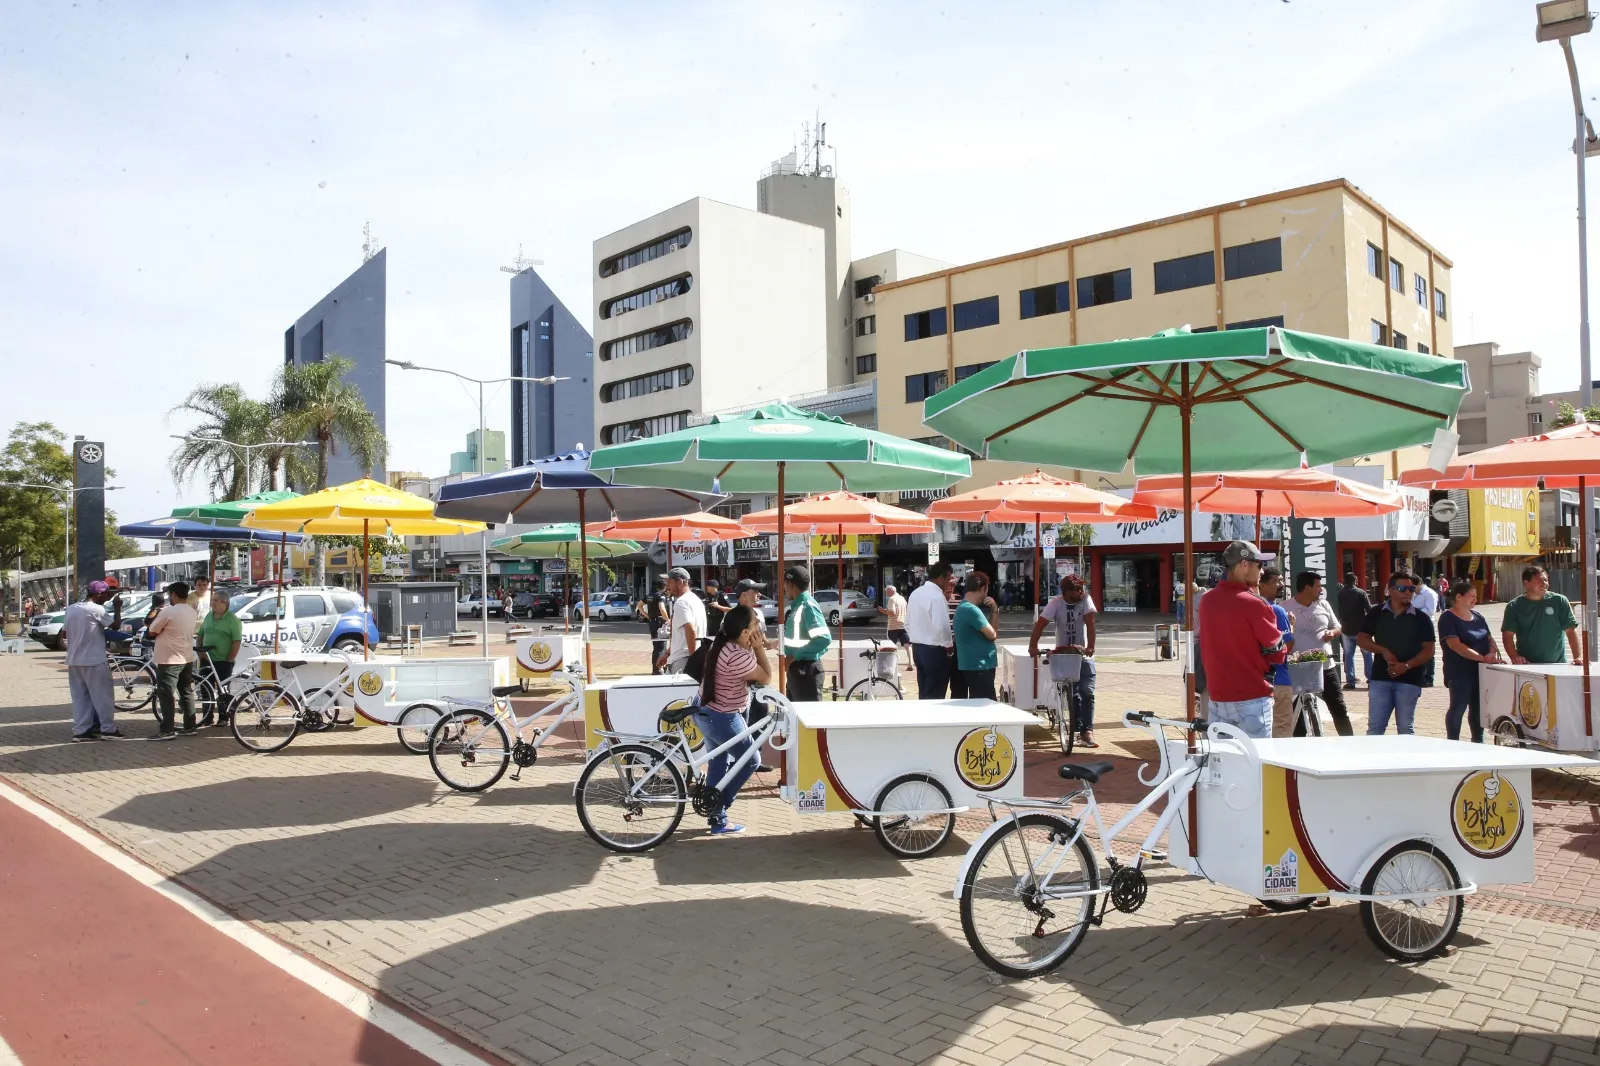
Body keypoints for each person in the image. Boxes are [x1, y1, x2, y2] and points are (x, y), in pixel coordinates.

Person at [693, 605, 774, 836]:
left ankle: (716, 817)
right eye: (755, 625)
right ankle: (717, 805)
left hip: (706, 711)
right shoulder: (737, 655)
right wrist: (759, 649)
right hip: (722, 717)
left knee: (719, 762)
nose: (759, 628)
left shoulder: (725, 645)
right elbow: (767, 677)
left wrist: (758, 646)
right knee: (751, 760)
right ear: (745, 633)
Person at [1196, 541, 1287, 739]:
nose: (1262, 572)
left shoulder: (1207, 600)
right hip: (1251, 697)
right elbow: (1278, 652)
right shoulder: (1254, 603)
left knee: (1221, 765)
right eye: (1259, 565)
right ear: (1244, 565)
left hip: (1218, 697)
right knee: (1255, 765)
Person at [1357, 570, 1436, 736]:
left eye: (1411, 589)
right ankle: (1372, 762)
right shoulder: (1377, 613)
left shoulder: (1421, 618)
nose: (1408, 593)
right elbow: (1362, 639)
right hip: (1380, 678)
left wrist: (1406, 666)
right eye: (1403, 589)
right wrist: (1383, 650)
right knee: (1375, 729)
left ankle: (1406, 762)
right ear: (1391, 590)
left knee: (1406, 729)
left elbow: (1429, 650)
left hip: (1410, 680)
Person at [1029, 574, 1100, 749]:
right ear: (1067, 592)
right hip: (1064, 655)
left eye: (1082, 589)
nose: (1081, 592)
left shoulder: (1085, 600)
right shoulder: (1056, 603)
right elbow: (1040, 624)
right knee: (1073, 694)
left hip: (1083, 654)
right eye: (1077, 589)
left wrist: (1090, 646)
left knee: (1087, 692)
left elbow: (1090, 623)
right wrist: (1033, 646)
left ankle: (1087, 731)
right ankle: (1075, 730)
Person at [1282, 571, 1354, 736]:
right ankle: (1300, 747)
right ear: (1307, 588)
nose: (1320, 590)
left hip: (1325, 665)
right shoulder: (1286, 608)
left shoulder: (1324, 605)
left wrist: (1332, 633)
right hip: (1297, 667)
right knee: (1295, 712)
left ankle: (1350, 744)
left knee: (1339, 709)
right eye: (1318, 587)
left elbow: (1338, 627)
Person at [64, 580, 128, 741]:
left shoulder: (71, 609)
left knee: (80, 698)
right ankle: (108, 730)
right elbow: (115, 626)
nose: (108, 596)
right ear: (98, 594)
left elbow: (65, 633)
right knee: (103, 696)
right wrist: (118, 607)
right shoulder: (96, 609)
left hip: (74, 660)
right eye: (106, 594)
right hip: (94, 660)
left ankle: (81, 731)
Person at [1439, 578, 1498, 743]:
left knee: (1478, 710)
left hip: (1481, 671)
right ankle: (1453, 742)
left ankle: (1478, 742)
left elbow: (1489, 639)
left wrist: (1491, 653)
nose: (1475, 599)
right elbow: (1455, 645)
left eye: (1476, 596)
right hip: (1459, 672)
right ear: (1458, 597)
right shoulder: (1447, 618)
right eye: (1471, 596)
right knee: (1458, 708)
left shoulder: (1478, 616)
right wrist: (1480, 658)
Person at [148, 581, 200, 739]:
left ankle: (167, 730)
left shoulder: (168, 611)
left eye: (170, 594)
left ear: (174, 595)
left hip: (169, 659)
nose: (169, 597)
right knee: (186, 692)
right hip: (186, 657)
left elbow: (152, 631)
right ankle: (190, 726)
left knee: (166, 694)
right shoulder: (192, 612)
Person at [1502, 564, 1581, 666]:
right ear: (1526, 583)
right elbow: (1507, 635)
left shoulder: (1559, 601)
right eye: (1539, 580)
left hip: (1557, 665)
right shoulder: (1514, 606)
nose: (1544, 583)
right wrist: (1514, 657)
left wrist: (1578, 657)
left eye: (1546, 580)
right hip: (1527, 665)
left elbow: (1571, 631)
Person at [780, 564, 831, 701]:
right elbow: (796, 639)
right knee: (795, 718)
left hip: (806, 672)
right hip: (798, 671)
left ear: (790, 584)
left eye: (785, 584)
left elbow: (824, 639)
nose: (784, 589)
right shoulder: (798, 606)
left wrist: (795, 656)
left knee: (808, 720)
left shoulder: (807, 605)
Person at [906, 562, 955, 699]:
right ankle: (932, 719)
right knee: (935, 694)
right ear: (941, 577)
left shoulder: (915, 593)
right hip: (934, 651)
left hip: (918, 648)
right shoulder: (937, 596)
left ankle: (924, 719)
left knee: (924, 691)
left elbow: (908, 624)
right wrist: (949, 648)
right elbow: (942, 626)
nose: (948, 582)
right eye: (948, 578)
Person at [1258, 565, 1297, 738]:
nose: (1281, 584)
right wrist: (1292, 627)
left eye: (1282, 580)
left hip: (1256, 683)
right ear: (1262, 584)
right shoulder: (1277, 610)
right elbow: (1287, 646)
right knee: (1281, 733)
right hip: (1278, 680)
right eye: (1276, 581)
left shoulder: (1249, 606)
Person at [197, 589, 243, 723]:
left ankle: (223, 717)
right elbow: (200, 635)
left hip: (223, 661)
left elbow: (236, 642)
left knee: (223, 691)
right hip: (207, 660)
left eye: (216, 600)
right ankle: (207, 717)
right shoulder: (208, 616)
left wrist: (229, 660)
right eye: (212, 600)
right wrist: (200, 653)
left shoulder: (232, 620)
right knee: (205, 689)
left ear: (225, 603)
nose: (213, 603)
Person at [953, 571, 999, 700]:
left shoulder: (963, 607)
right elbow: (993, 634)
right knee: (985, 705)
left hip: (973, 665)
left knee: (978, 703)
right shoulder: (971, 609)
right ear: (983, 588)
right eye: (986, 590)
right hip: (979, 666)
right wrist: (995, 610)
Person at [657, 568, 706, 675]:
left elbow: (691, 630)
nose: (666, 587)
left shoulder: (681, 602)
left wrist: (694, 662)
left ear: (680, 583)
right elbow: (682, 635)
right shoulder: (696, 600)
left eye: (669, 582)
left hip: (683, 661)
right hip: (688, 657)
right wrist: (667, 653)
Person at [1336, 574, 1373, 691]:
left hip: (1345, 628)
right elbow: (1369, 609)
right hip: (1361, 629)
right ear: (1355, 581)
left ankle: (1350, 681)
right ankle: (1371, 679)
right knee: (1367, 655)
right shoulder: (1361, 593)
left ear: (1344, 581)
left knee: (1348, 655)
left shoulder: (1339, 593)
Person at [639, 575, 671, 675]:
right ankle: (659, 669)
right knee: (661, 646)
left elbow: (639, 605)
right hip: (660, 622)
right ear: (664, 587)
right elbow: (662, 608)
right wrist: (668, 619)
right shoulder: (660, 596)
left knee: (656, 646)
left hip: (652, 622)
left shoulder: (649, 595)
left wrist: (647, 616)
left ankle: (655, 669)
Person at [879, 584, 910, 669]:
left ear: (890, 591)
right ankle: (910, 663)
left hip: (893, 625)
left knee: (891, 646)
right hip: (903, 624)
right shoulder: (902, 599)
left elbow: (892, 612)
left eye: (886, 592)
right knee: (907, 645)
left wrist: (883, 611)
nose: (885, 593)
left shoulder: (891, 599)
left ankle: (892, 665)